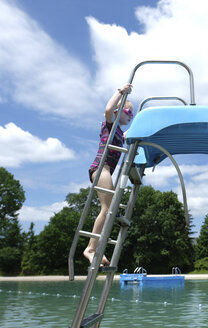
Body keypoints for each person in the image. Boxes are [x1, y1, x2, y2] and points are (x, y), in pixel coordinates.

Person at [84, 83, 133, 266]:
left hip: (106, 171)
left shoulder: (119, 133)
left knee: (109, 210)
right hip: (101, 168)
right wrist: (121, 92)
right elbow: (108, 109)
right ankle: (90, 249)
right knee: (107, 208)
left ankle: (96, 247)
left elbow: (129, 134)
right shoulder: (110, 124)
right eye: (129, 113)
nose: (131, 117)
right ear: (119, 111)